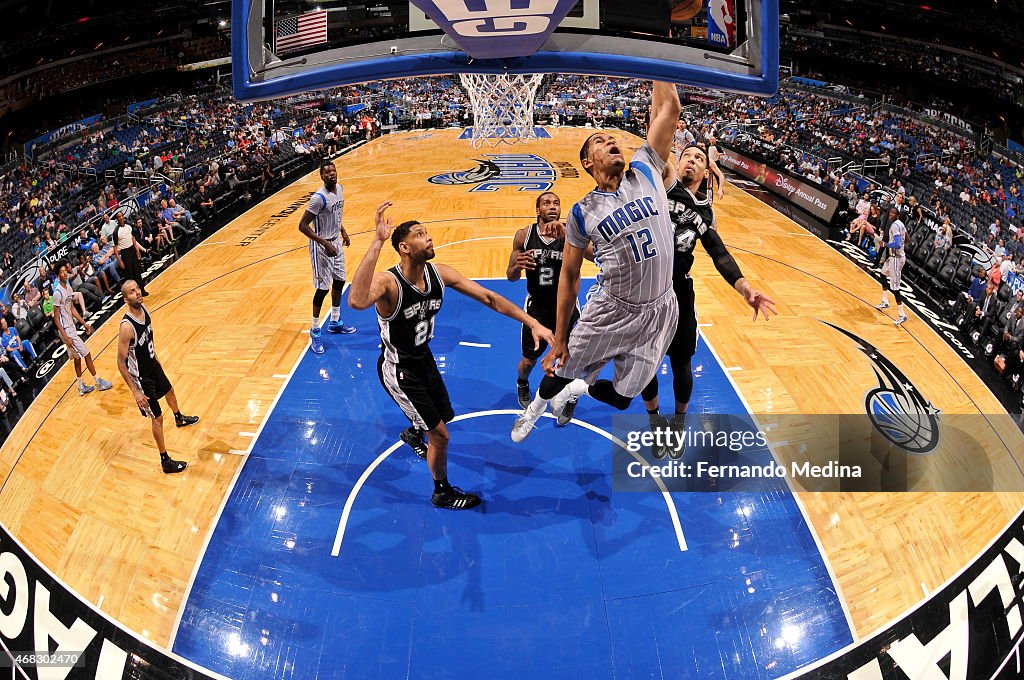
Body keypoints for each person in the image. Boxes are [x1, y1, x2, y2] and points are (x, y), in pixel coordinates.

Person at [348, 202, 554, 510]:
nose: (429, 237)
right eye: (420, 234)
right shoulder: (389, 283)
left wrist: (533, 322)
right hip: (400, 369)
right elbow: (356, 300)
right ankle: (441, 491)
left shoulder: (439, 273)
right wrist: (377, 241)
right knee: (441, 436)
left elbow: (490, 298)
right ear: (404, 247)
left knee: (445, 416)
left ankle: (413, 430)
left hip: (424, 358)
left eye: (427, 232)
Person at [511, 80, 682, 442]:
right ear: (588, 163)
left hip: (661, 307)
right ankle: (532, 412)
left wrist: (652, 60)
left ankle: (579, 391)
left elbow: (669, 110)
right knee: (561, 365)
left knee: (623, 398)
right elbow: (569, 276)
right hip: (612, 309)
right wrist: (559, 337)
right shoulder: (582, 212)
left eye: (612, 138)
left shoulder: (646, 169)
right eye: (600, 141)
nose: (611, 141)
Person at [639, 145, 776, 458]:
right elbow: (657, 146)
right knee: (645, 364)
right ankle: (655, 420)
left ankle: (678, 422)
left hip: (678, 294)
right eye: (686, 155)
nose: (692, 160)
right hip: (645, 291)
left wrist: (745, 288)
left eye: (699, 158)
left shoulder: (704, 212)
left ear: (707, 172)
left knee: (681, 363)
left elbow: (719, 252)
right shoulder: (664, 185)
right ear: (676, 162)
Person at [506, 191, 587, 415]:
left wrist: (570, 236)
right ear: (537, 210)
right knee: (529, 361)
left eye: (557, 203)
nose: (553, 207)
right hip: (537, 309)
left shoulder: (571, 234)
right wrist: (517, 266)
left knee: (571, 359)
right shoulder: (524, 235)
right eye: (547, 203)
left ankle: (570, 393)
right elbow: (510, 276)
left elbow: (591, 255)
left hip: (567, 308)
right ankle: (522, 382)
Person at [116, 279, 197, 474]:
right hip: (142, 379)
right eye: (132, 291)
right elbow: (120, 362)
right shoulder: (127, 327)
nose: (137, 293)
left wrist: (158, 361)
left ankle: (178, 417)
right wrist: (135, 392)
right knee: (157, 418)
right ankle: (165, 461)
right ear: (126, 298)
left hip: (153, 367)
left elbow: (149, 343)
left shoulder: (145, 312)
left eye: (137, 289)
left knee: (169, 390)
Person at [298, 160, 355, 354]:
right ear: (322, 176)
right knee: (322, 289)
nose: (331, 174)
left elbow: (336, 216)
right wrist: (324, 243)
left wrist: (343, 231)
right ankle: (315, 331)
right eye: (327, 172)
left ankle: (335, 321)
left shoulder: (339, 188)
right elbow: (303, 226)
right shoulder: (318, 198)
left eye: (333, 170)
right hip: (321, 246)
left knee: (340, 280)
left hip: (335, 241)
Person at [53, 261, 113, 395]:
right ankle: (98, 382)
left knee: (77, 358)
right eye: (61, 272)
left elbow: (72, 308)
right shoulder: (57, 293)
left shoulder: (68, 288)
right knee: (86, 353)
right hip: (66, 331)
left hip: (71, 327)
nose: (64, 274)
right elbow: (56, 318)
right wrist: (66, 337)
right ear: (58, 275)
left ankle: (80, 387)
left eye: (65, 271)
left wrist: (84, 323)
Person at [876, 206, 909, 326]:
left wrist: (884, 244)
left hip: (897, 258)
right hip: (895, 257)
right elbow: (907, 239)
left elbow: (897, 244)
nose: (890, 217)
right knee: (882, 274)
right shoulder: (901, 224)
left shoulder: (895, 225)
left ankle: (902, 315)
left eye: (892, 215)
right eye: (889, 215)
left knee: (895, 288)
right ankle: (884, 301)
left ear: (897, 215)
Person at [113, 213, 149, 297]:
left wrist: (137, 250)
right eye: (119, 217)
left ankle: (142, 290)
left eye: (122, 216)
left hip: (132, 249)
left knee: (137, 271)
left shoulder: (128, 227)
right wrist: (120, 261)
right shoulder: (116, 232)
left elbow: (133, 238)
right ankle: (133, 294)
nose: (121, 218)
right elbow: (115, 247)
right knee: (130, 275)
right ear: (117, 219)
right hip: (125, 253)